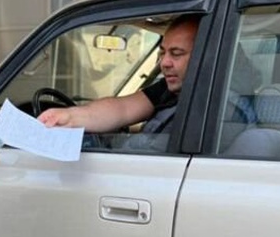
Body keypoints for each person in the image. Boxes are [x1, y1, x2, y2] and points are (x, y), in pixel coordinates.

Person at [38, 14, 257, 152]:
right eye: (162, 53)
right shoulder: (182, 86)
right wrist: (70, 117)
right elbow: (123, 108)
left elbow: (149, 160)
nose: (165, 63)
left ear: (207, 56)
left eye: (176, 53)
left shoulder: (215, 110)